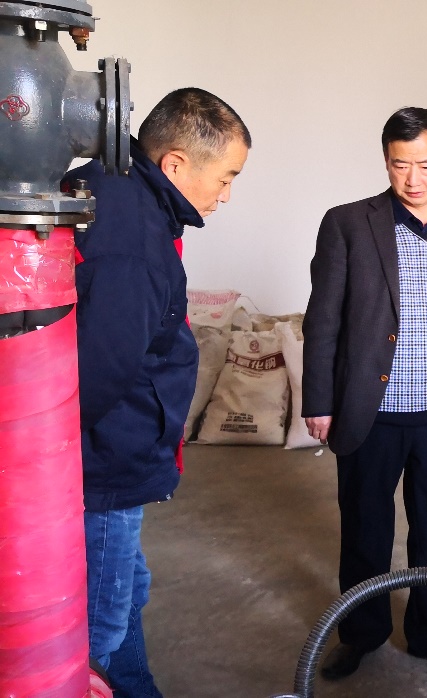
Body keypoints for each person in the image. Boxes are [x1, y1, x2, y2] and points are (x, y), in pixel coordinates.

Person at [302, 107, 427, 680]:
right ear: (386, 161)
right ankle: (361, 633)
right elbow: (323, 319)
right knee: (365, 529)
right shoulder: (348, 223)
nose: (413, 178)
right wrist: (319, 400)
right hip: (373, 412)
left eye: (425, 164)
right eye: (400, 164)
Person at [71, 87, 250, 697]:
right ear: (175, 164)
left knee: (126, 589)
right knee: (99, 624)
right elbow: (98, 371)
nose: (226, 194)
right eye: (225, 177)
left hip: (107, 454)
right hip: (104, 461)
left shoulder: (119, 191)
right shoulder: (134, 241)